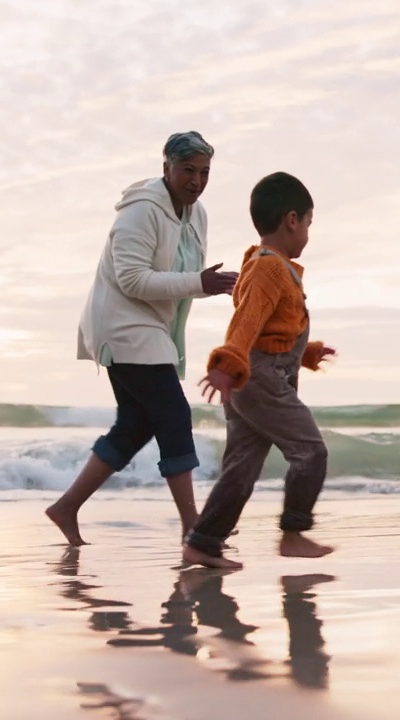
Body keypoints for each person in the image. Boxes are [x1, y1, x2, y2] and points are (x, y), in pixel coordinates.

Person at [46, 131, 239, 546]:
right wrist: (200, 283)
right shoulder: (139, 211)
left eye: (205, 172)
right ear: (166, 167)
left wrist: (209, 284)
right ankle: (194, 528)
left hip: (151, 327)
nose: (196, 181)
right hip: (121, 324)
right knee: (173, 415)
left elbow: (181, 279)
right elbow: (132, 279)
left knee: (135, 425)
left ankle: (65, 508)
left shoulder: (197, 213)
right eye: (188, 171)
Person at [181, 171, 336, 569]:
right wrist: (225, 363)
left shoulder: (272, 266)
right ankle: (293, 534)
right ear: (291, 220)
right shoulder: (268, 269)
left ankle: (203, 542)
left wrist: (307, 353)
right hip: (259, 379)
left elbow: (274, 333)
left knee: (241, 469)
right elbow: (246, 324)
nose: (307, 233)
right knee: (310, 452)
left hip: (253, 379)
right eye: (308, 224)